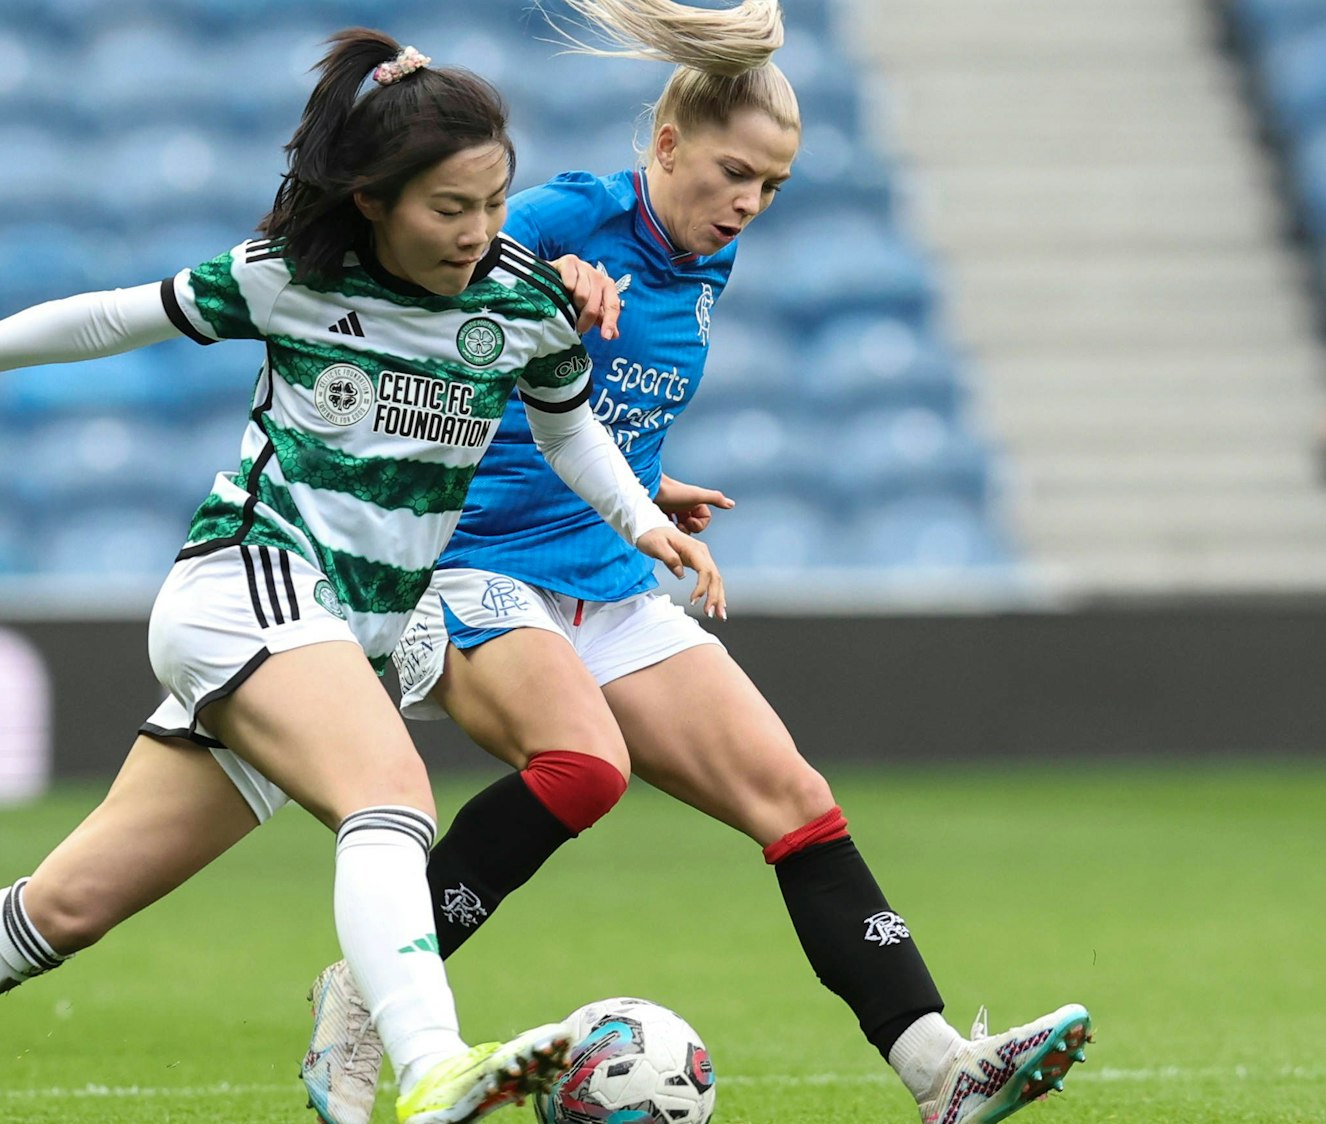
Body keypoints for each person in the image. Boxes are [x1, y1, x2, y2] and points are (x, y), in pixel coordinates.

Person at [0, 29, 722, 1124]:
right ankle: (433, 1062)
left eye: (493, 201)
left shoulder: (522, 300)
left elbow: (568, 427)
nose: (478, 232)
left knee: (69, 904)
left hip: (341, 631)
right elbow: (105, 316)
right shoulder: (291, 277)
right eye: (449, 209)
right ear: (373, 200)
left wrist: (638, 517)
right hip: (245, 582)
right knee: (390, 794)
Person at [298, 4, 1091, 1124]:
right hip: (468, 559)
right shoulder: (577, 211)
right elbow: (431, 282)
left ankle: (939, 1071)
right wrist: (545, 270)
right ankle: (370, 992)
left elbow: (574, 410)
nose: (747, 205)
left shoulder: (701, 270)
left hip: (599, 567)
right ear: (665, 147)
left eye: (771, 187)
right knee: (583, 769)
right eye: (732, 174)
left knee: (797, 801)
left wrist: (649, 490)